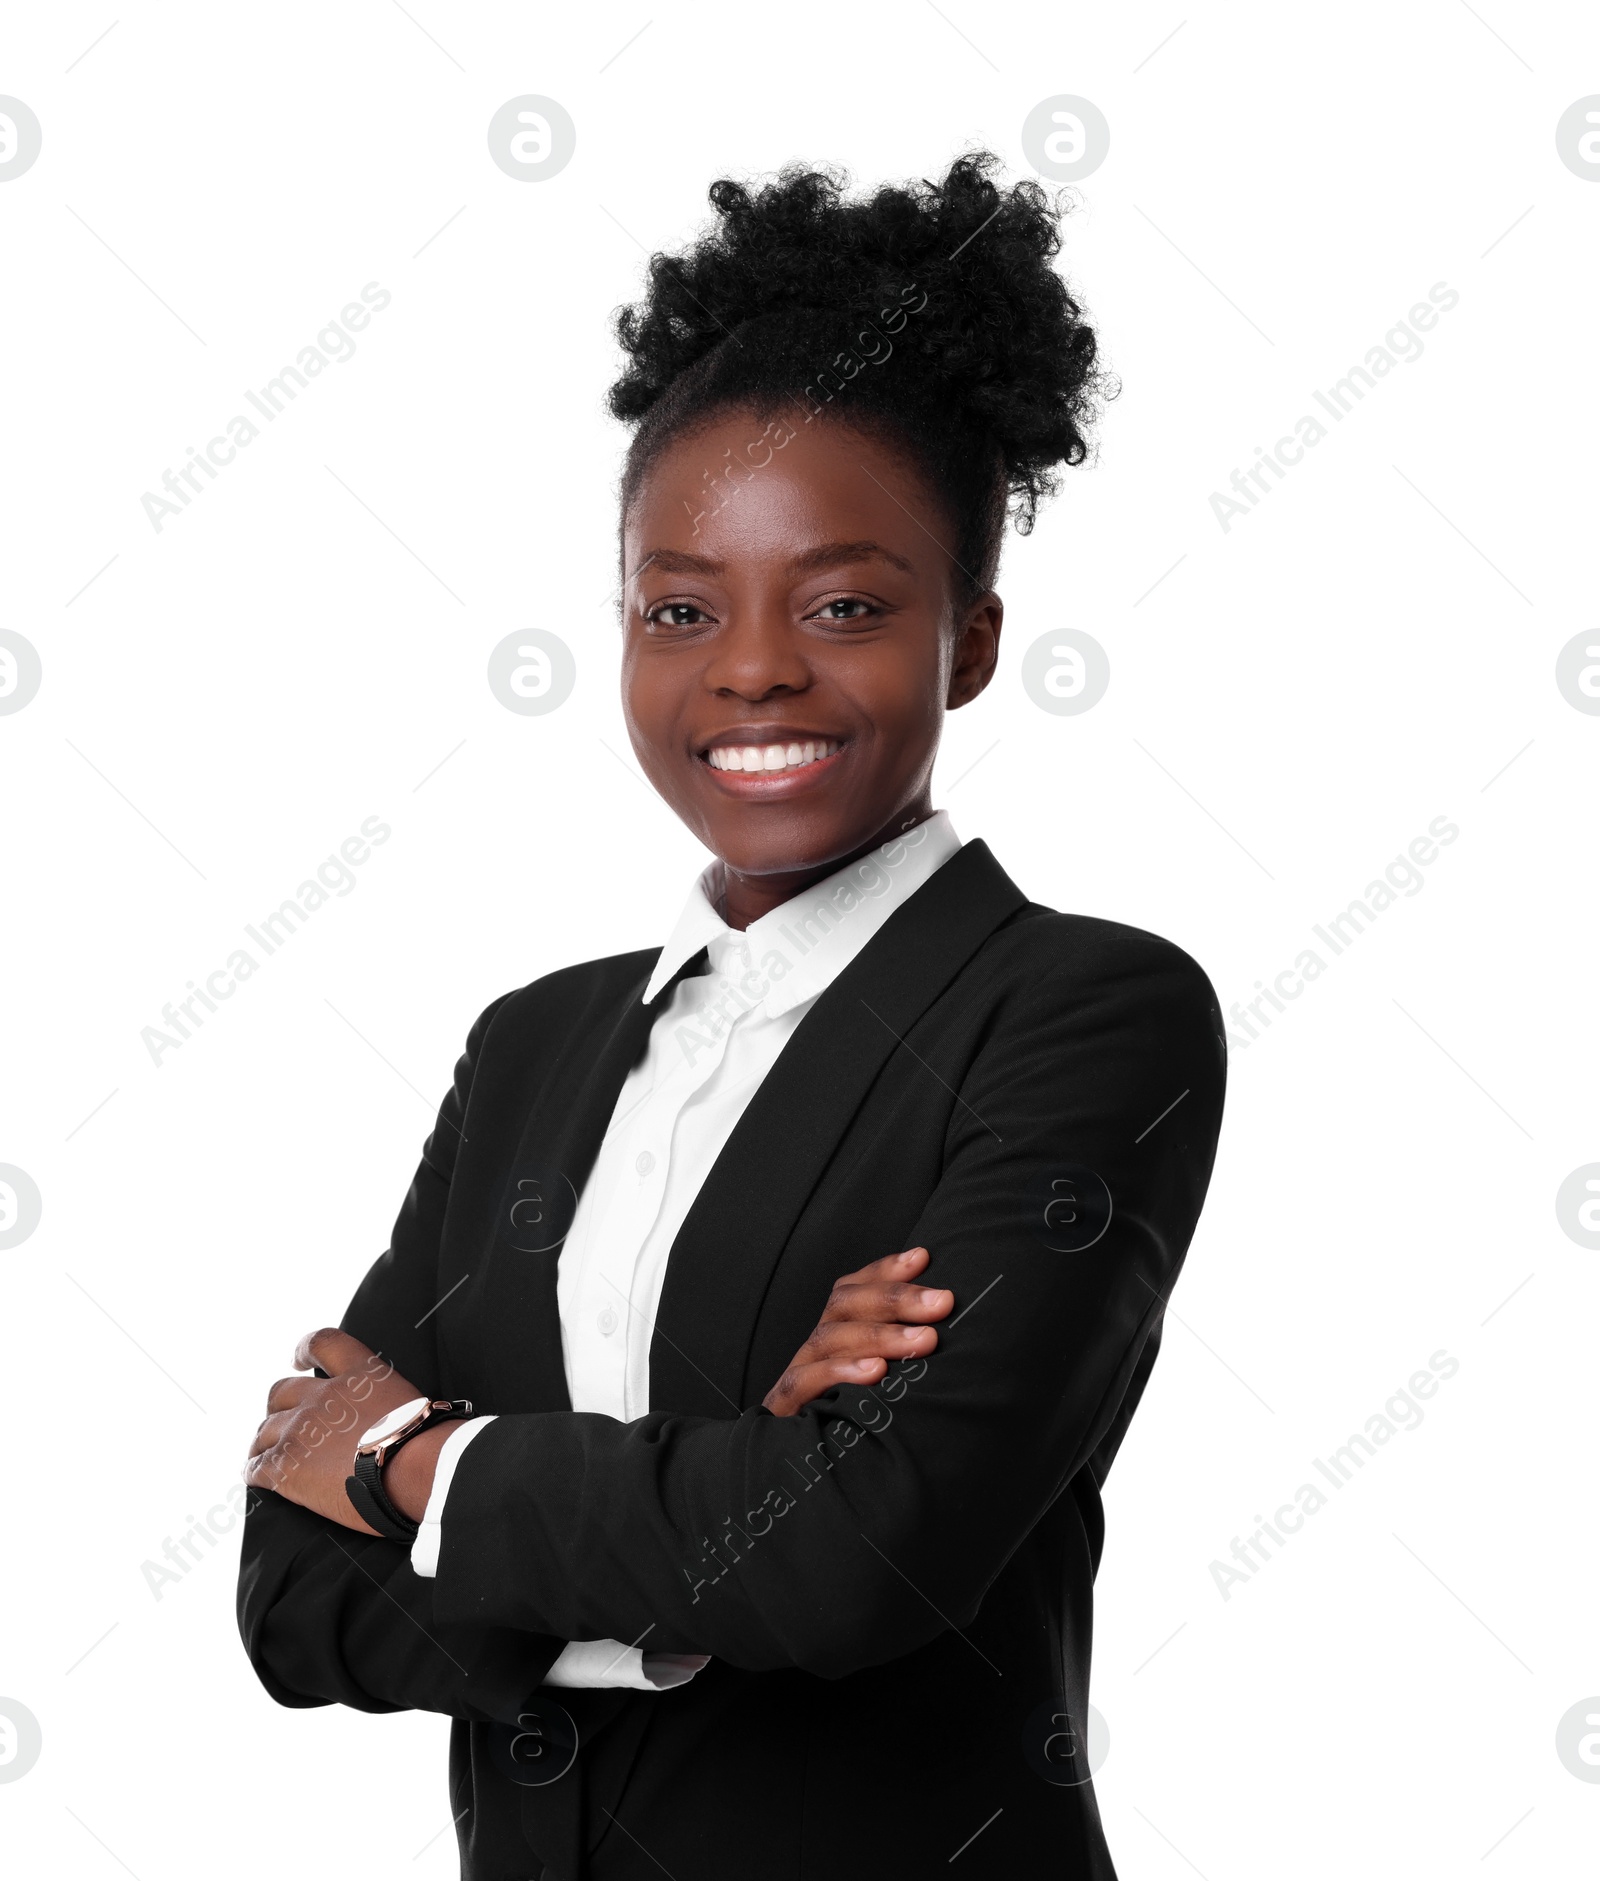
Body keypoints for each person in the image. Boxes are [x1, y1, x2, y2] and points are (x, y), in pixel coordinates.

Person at [237, 152, 1226, 1880]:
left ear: (971, 639)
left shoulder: (1082, 1014)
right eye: (679, 609)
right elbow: (291, 1598)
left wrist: (409, 1468)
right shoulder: (530, 1048)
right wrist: (735, 1488)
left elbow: (858, 1564)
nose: (751, 667)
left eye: (843, 605)